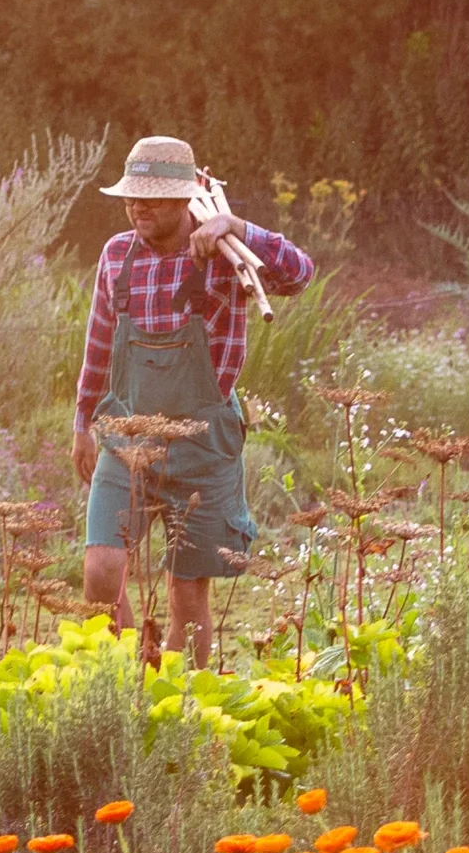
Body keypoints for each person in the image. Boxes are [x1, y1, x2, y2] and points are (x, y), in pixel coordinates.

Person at [73, 137, 315, 667]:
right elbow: (97, 344)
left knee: (188, 597)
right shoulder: (117, 256)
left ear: (186, 200)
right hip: (128, 439)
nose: (139, 208)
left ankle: (185, 705)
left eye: (153, 199)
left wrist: (238, 228)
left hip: (202, 447)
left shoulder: (226, 255)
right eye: (132, 197)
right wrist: (81, 422)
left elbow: (300, 274)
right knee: (101, 572)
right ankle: (132, 674)